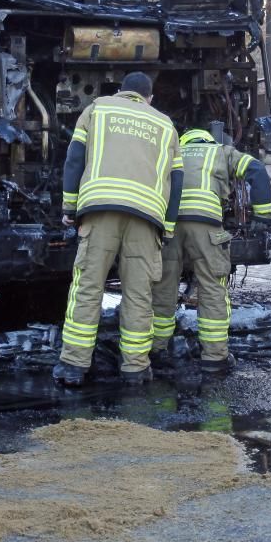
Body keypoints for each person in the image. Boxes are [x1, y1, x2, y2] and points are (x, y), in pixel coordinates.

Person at [52, 72, 183, 387]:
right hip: (146, 218)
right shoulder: (165, 125)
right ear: (148, 98)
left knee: (88, 287)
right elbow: (176, 182)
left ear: (122, 91)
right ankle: (135, 369)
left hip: (100, 211)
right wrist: (167, 227)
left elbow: (74, 159)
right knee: (139, 294)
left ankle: (73, 366)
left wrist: (70, 207)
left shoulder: (98, 108)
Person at [149, 128, 271, 374]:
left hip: (169, 225)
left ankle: (157, 350)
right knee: (212, 287)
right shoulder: (221, 152)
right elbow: (257, 171)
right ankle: (214, 357)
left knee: (163, 286)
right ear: (208, 140)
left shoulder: (171, 151)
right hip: (206, 226)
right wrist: (263, 216)